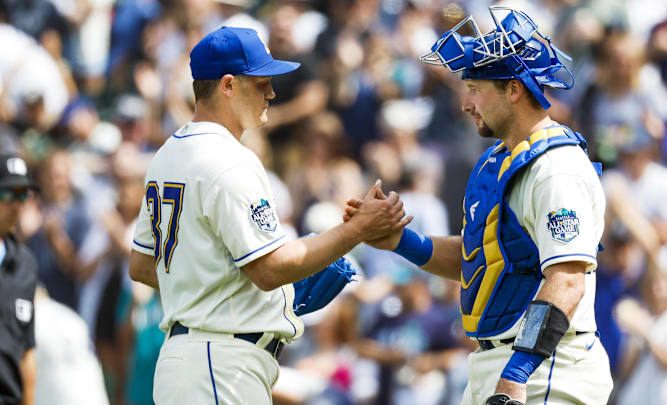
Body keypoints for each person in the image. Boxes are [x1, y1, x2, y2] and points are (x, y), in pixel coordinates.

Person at [128, 26, 409, 405]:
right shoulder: (229, 159)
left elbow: (143, 265)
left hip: (185, 360)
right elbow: (269, 270)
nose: (272, 93)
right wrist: (356, 230)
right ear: (228, 85)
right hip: (221, 364)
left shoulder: (165, 155)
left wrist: (217, 288)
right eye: (261, 82)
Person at [345, 7, 612, 404]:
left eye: (476, 88)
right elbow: (480, 259)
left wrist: (516, 375)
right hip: (496, 364)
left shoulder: (557, 168)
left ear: (514, 90)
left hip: (546, 371)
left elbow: (567, 280)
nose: (467, 103)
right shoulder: (498, 160)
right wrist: (399, 241)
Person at [0, 154, 38, 405]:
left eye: (23, 194)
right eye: (8, 194)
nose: (17, 204)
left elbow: (26, 352)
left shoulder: (25, 264)